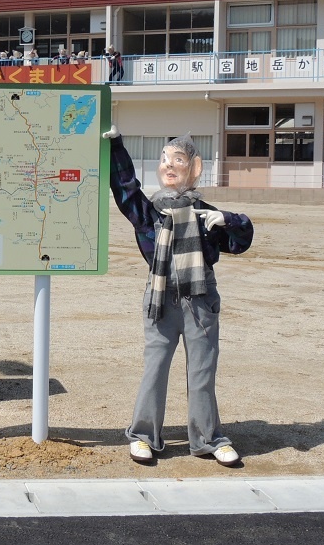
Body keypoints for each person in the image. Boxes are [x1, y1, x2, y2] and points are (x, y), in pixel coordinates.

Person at [103, 125, 253, 467]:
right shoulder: (149, 212)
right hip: (159, 299)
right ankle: (143, 435)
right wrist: (116, 148)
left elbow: (241, 241)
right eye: (164, 160)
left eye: (178, 159)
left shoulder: (206, 214)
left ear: (195, 168)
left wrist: (227, 219)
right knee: (154, 369)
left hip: (201, 300)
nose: (169, 166)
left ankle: (208, 438)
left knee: (202, 371)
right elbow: (125, 188)